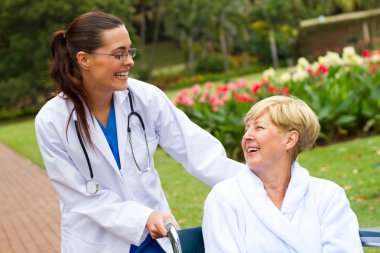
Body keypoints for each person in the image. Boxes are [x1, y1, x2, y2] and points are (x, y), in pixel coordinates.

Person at [35, 11, 245, 253]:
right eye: (119, 54)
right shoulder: (52, 122)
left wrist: (258, 184)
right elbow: (80, 196)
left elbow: (198, 151)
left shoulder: (145, 98)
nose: (130, 61)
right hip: (96, 243)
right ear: (84, 59)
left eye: (129, 51)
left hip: (153, 240)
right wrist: (142, 217)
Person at [202, 95, 363, 253]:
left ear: (290, 140)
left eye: (259, 127)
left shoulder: (327, 195)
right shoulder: (224, 198)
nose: (247, 136)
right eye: (247, 128)